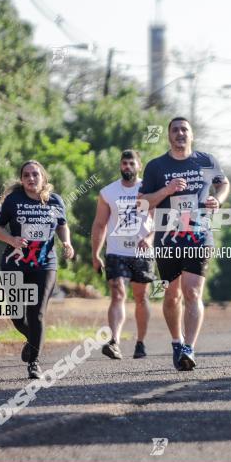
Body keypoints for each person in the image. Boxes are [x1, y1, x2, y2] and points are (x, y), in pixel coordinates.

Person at [139, 117, 230, 371]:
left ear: (192, 135)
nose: (180, 133)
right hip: (167, 239)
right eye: (175, 130)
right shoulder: (156, 166)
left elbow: (223, 183)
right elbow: (142, 203)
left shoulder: (206, 160)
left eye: (184, 129)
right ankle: (177, 342)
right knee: (171, 296)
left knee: (192, 292)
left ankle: (189, 348)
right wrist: (166, 190)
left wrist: (218, 200)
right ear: (169, 136)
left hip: (198, 236)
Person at [0, 160, 74, 379]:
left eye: (35, 174)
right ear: (22, 179)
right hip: (14, 264)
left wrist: (67, 243)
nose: (31, 178)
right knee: (17, 314)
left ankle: (34, 362)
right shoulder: (12, 201)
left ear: (43, 177)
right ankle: (33, 340)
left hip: (44, 264)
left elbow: (62, 225)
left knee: (36, 313)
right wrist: (12, 239)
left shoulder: (55, 201)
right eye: (26, 175)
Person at [91, 149, 155, 360]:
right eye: (124, 163)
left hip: (141, 251)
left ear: (139, 165)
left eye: (131, 163)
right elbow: (100, 224)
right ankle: (114, 342)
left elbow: (159, 220)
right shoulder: (108, 192)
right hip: (116, 250)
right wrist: (95, 254)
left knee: (140, 296)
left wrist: (149, 239)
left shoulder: (149, 189)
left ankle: (141, 342)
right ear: (120, 166)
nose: (127, 167)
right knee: (117, 292)